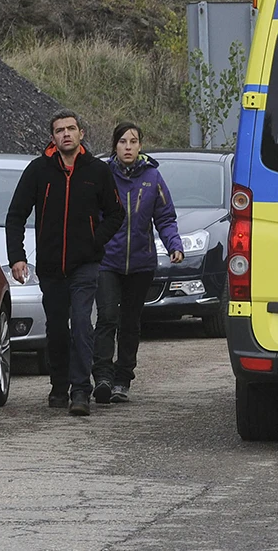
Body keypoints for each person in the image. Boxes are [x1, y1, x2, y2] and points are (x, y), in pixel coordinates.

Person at [7, 110, 125, 416]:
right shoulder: (38, 171)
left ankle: (80, 391)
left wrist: (93, 240)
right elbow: (16, 214)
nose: (66, 134)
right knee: (57, 328)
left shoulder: (97, 171)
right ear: (53, 137)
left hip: (85, 265)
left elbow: (116, 214)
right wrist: (17, 257)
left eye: (71, 129)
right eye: (59, 130)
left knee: (83, 324)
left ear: (81, 133)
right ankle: (59, 386)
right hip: (49, 266)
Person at [93, 123, 184, 404]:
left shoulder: (153, 178)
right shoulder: (102, 176)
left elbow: (165, 218)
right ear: (115, 146)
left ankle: (123, 379)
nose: (128, 147)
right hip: (107, 261)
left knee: (130, 322)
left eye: (133, 141)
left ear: (141, 146)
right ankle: (103, 377)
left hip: (141, 264)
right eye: (123, 141)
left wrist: (174, 245)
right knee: (107, 317)